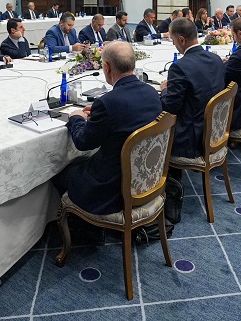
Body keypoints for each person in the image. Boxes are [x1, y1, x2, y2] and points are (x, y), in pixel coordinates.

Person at [52, 42, 162, 216]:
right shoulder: (152, 93)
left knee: (59, 172)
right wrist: (98, 114)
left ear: (106, 67)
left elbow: (83, 143)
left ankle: (81, 226)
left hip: (111, 191)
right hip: (148, 179)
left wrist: (76, 118)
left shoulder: (107, 102)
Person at [160, 17, 225, 159]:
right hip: (216, 129)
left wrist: (164, 89)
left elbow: (171, 107)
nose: (174, 44)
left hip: (191, 139)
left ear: (181, 40)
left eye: (173, 40)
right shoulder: (216, 59)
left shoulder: (179, 67)